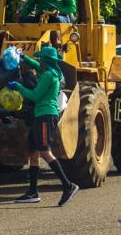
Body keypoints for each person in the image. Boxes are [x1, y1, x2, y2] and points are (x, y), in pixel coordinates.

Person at [7, 46, 78, 206]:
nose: (39, 61)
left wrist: (18, 87)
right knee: (33, 151)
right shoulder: (51, 71)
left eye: (41, 59)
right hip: (40, 116)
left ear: (46, 61)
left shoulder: (48, 75)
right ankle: (32, 192)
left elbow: (35, 95)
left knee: (45, 152)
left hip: (45, 116)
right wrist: (23, 57)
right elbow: (35, 66)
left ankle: (68, 185)